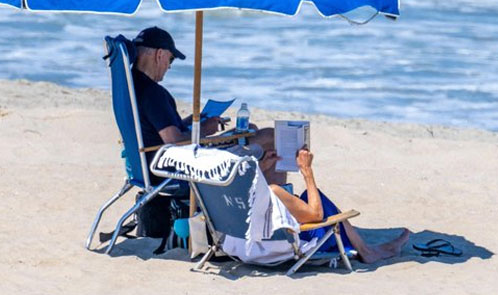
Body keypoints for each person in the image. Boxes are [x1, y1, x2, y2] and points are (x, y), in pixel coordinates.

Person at [132, 26, 284, 184]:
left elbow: (156, 131)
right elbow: (174, 142)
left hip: (157, 163)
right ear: (159, 54)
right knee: (272, 138)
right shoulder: (152, 93)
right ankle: (278, 201)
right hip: (181, 167)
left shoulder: (133, 86)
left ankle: (263, 195)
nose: (169, 66)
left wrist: (189, 122)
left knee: (250, 129)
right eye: (171, 59)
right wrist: (204, 130)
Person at [259, 146, 411, 264]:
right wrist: (307, 171)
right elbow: (316, 215)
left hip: (257, 247)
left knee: (303, 198)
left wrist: (263, 168)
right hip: (291, 247)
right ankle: (366, 251)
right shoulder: (274, 190)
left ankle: (364, 249)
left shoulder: (240, 192)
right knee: (315, 197)